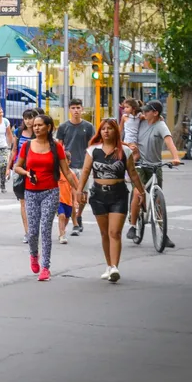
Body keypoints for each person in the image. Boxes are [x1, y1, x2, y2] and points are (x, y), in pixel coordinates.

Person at [78, 118, 146, 283]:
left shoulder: (124, 151)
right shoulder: (93, 150)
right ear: (100, 132)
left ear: (116, 131)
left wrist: (142, 192)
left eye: (109, 128)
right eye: (103, 129)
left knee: (114, 232)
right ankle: (108, 265)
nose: (106, 131)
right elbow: (86, 171)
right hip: (98, 195)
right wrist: (80, 191)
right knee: (104, 233)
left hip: (119, 194)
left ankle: (115, 267)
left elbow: (132, 173)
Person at [14, 114, 80, 281]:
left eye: (40, 125)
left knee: (45, 229)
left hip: (50, 191)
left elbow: (66, 171)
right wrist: (27, 173)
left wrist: (78, 190)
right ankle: (33, 255)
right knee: (33, 231)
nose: (36, 128)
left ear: (48, 127)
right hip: (31, 192)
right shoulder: (27, 146)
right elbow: (17, 167)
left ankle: (45, 267)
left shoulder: (56, 147)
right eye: (34, 125)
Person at [127, 100, 181, 247]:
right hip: (138, 164)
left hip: (155, 166)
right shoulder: (141, 121)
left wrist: (175, 157)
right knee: (138, 192)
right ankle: (132, 226)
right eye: (143, 111)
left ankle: (163, 233)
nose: (144, 113)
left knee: (157, 199)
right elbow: (128, 123)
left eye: (147, 111)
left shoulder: (161, 125)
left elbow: (169, 142)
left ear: (155, 113)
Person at [56, 98, 95, 236]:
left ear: (82, 109)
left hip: (84, 166)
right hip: (68, 167)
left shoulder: (89, 127)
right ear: (69, 110)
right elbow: (59, 147)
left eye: (78, 108)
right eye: (73, 108)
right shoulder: (63, 127)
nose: (76, 110)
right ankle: (75, 222)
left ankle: (78, 215)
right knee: (71, 195)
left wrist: (91, 163)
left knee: (83, 195)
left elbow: (92, 146)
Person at [9, 109, 37, 243]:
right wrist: (9, 168)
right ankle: (28, 232)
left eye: (30, 118)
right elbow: (14, 150)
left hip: (34, 169)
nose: (28, 121)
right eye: (26, 118)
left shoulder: (39, 133)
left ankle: (34, 228)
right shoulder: (18, 132)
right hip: (20, 169)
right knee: (23, 202)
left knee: (34, 202)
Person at [57, 153, 74, 245]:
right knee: (61, 216)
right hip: (58, 200)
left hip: (68, 201)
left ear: (69, 162)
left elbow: (75, 187)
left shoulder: (71, 173)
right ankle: (62, 235)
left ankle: (62, 231)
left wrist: (75, 201)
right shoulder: (56, 173)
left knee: (66, 218)